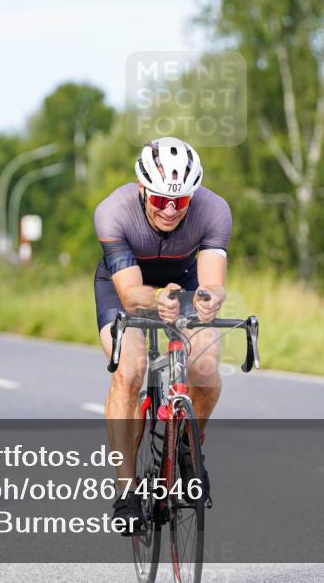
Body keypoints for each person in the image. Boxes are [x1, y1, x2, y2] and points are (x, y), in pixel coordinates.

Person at [93, 136, 231, 533]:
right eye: (159, 200)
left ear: (194, 195)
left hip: (183, 282)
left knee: (205, 367)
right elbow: (131, 294)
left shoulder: (215, 210)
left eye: (181, 201)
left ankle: (188, 450)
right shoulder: (112, 212)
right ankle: (126, 491)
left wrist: (208, 299)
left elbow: (213, 283)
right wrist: (155, 299)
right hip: (125, 288)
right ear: (142, 189)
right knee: (131, 370)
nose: (170, 209)